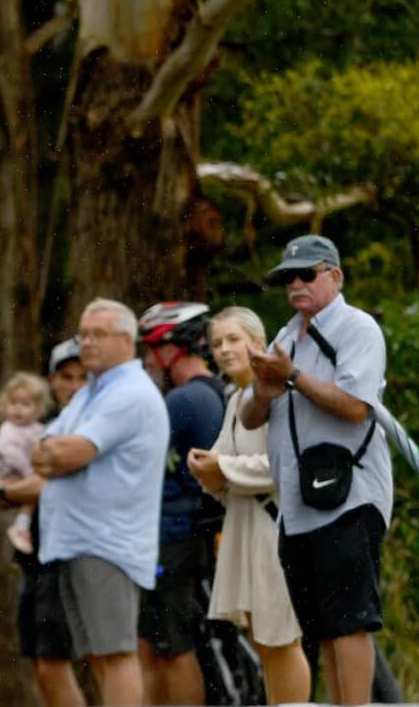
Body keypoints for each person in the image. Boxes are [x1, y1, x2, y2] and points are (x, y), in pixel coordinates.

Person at [240, 234, 393, 706]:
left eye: (307, 274)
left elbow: (355, 407)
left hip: (348, 496)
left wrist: (292, 377)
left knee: (349, 622)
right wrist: (264, 390)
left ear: (335, 276)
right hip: (297, 503)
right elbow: (249, 417)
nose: (296, 285)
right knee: (323, 627)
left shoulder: (357, 328)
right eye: (288, 277)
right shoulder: (284, 337)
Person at [31, 298, 169, 706]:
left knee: (116, 653)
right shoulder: (92, 392)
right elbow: (42, 449)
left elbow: (71, 452)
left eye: (98, 335)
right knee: (97, 654)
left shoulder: (129, 393)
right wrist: (54, 453)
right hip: (78, 540)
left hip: (107, 544)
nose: (87, 343)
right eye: (83, 335)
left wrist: (57, 453)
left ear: (126, 339)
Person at [187, 307, 310, 705]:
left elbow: (284, 464)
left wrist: (222, 468)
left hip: (275, 526)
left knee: (281, 638)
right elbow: (223, 463)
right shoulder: (237, 399)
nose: (224, 350)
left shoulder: (281, 395)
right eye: (217, 343)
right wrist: (207, 470)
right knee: (262, 638)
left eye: (233, 340)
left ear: (258, 343)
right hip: (243, 524)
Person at [0, 338, 87, 707]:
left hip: (66, 555)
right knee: (38, 663)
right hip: (34, 553)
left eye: (82, 377)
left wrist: (12, 490)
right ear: (52, 381)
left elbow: (46, 483)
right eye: (66, 377)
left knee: (54, 662)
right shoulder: (44, 428)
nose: (73, 386)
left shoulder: (89, 428)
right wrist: (12, 490)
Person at [135, 301, 226, 705]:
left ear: (172, 349)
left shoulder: (184, 400)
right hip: (187, 535)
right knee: (157, 647)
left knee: (171, 649)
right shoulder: (210, 391)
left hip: (175, 538)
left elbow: (134, 454)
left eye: (151, 350)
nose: (147, 361)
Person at [0, 371, 53, 554]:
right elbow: (11, 455)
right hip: (8, 472)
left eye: (25, 404)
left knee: (34, 494)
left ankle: (22, 526)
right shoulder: (9, 430)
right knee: (33, 491)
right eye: (13, 403)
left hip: (27, 472)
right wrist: (30, 473)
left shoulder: (38, 428)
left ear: (38, 409)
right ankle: (21, 527)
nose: (18, 409)